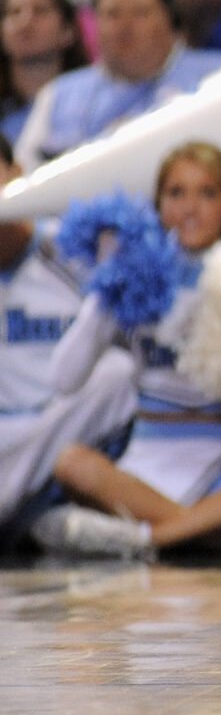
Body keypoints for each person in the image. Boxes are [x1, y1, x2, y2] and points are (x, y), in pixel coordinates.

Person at [31, 141, 221, 559]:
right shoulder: (136, 275)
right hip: (148, 463)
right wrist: (104, 295)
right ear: (157, 203)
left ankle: (148, 539)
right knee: (71, 462)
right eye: (176, 193)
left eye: (208, 193)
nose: (191, 207)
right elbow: (63, 379)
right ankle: (219, 538)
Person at [0, 134, 137, 543]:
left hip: (71, 428)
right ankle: (31, 521)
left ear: (17, 174)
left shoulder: (75, 248)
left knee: (118, 373)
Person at [14, 0, 221, 169]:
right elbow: (21, 180)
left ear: (169, 17)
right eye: (112, 13)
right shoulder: (58, 96)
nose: (125, 26)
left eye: (140, 12)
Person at [0, 0, 89, 144]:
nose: (25, 21)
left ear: (68, 31)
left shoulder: (92, 99)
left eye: (40, 10)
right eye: (14, 12)